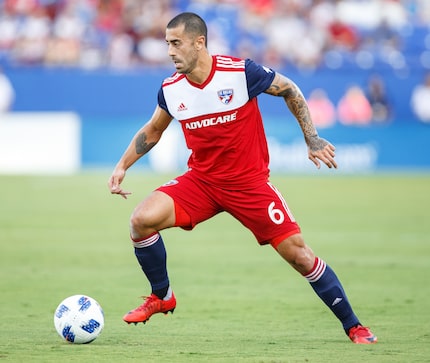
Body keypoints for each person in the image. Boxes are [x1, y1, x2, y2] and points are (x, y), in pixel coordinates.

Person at [108, 12, 377, 344]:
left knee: (300, 255)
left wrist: (312, 138)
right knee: (141, 221)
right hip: (202, 182)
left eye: (176, 43)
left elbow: (290, 89)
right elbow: (153, 130)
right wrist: (122, 166)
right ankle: (162, 295)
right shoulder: (171, 89)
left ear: (199, 42)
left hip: (249, 185)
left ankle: (354, 326)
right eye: (167, 44)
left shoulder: (240, 73)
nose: (170, 51)